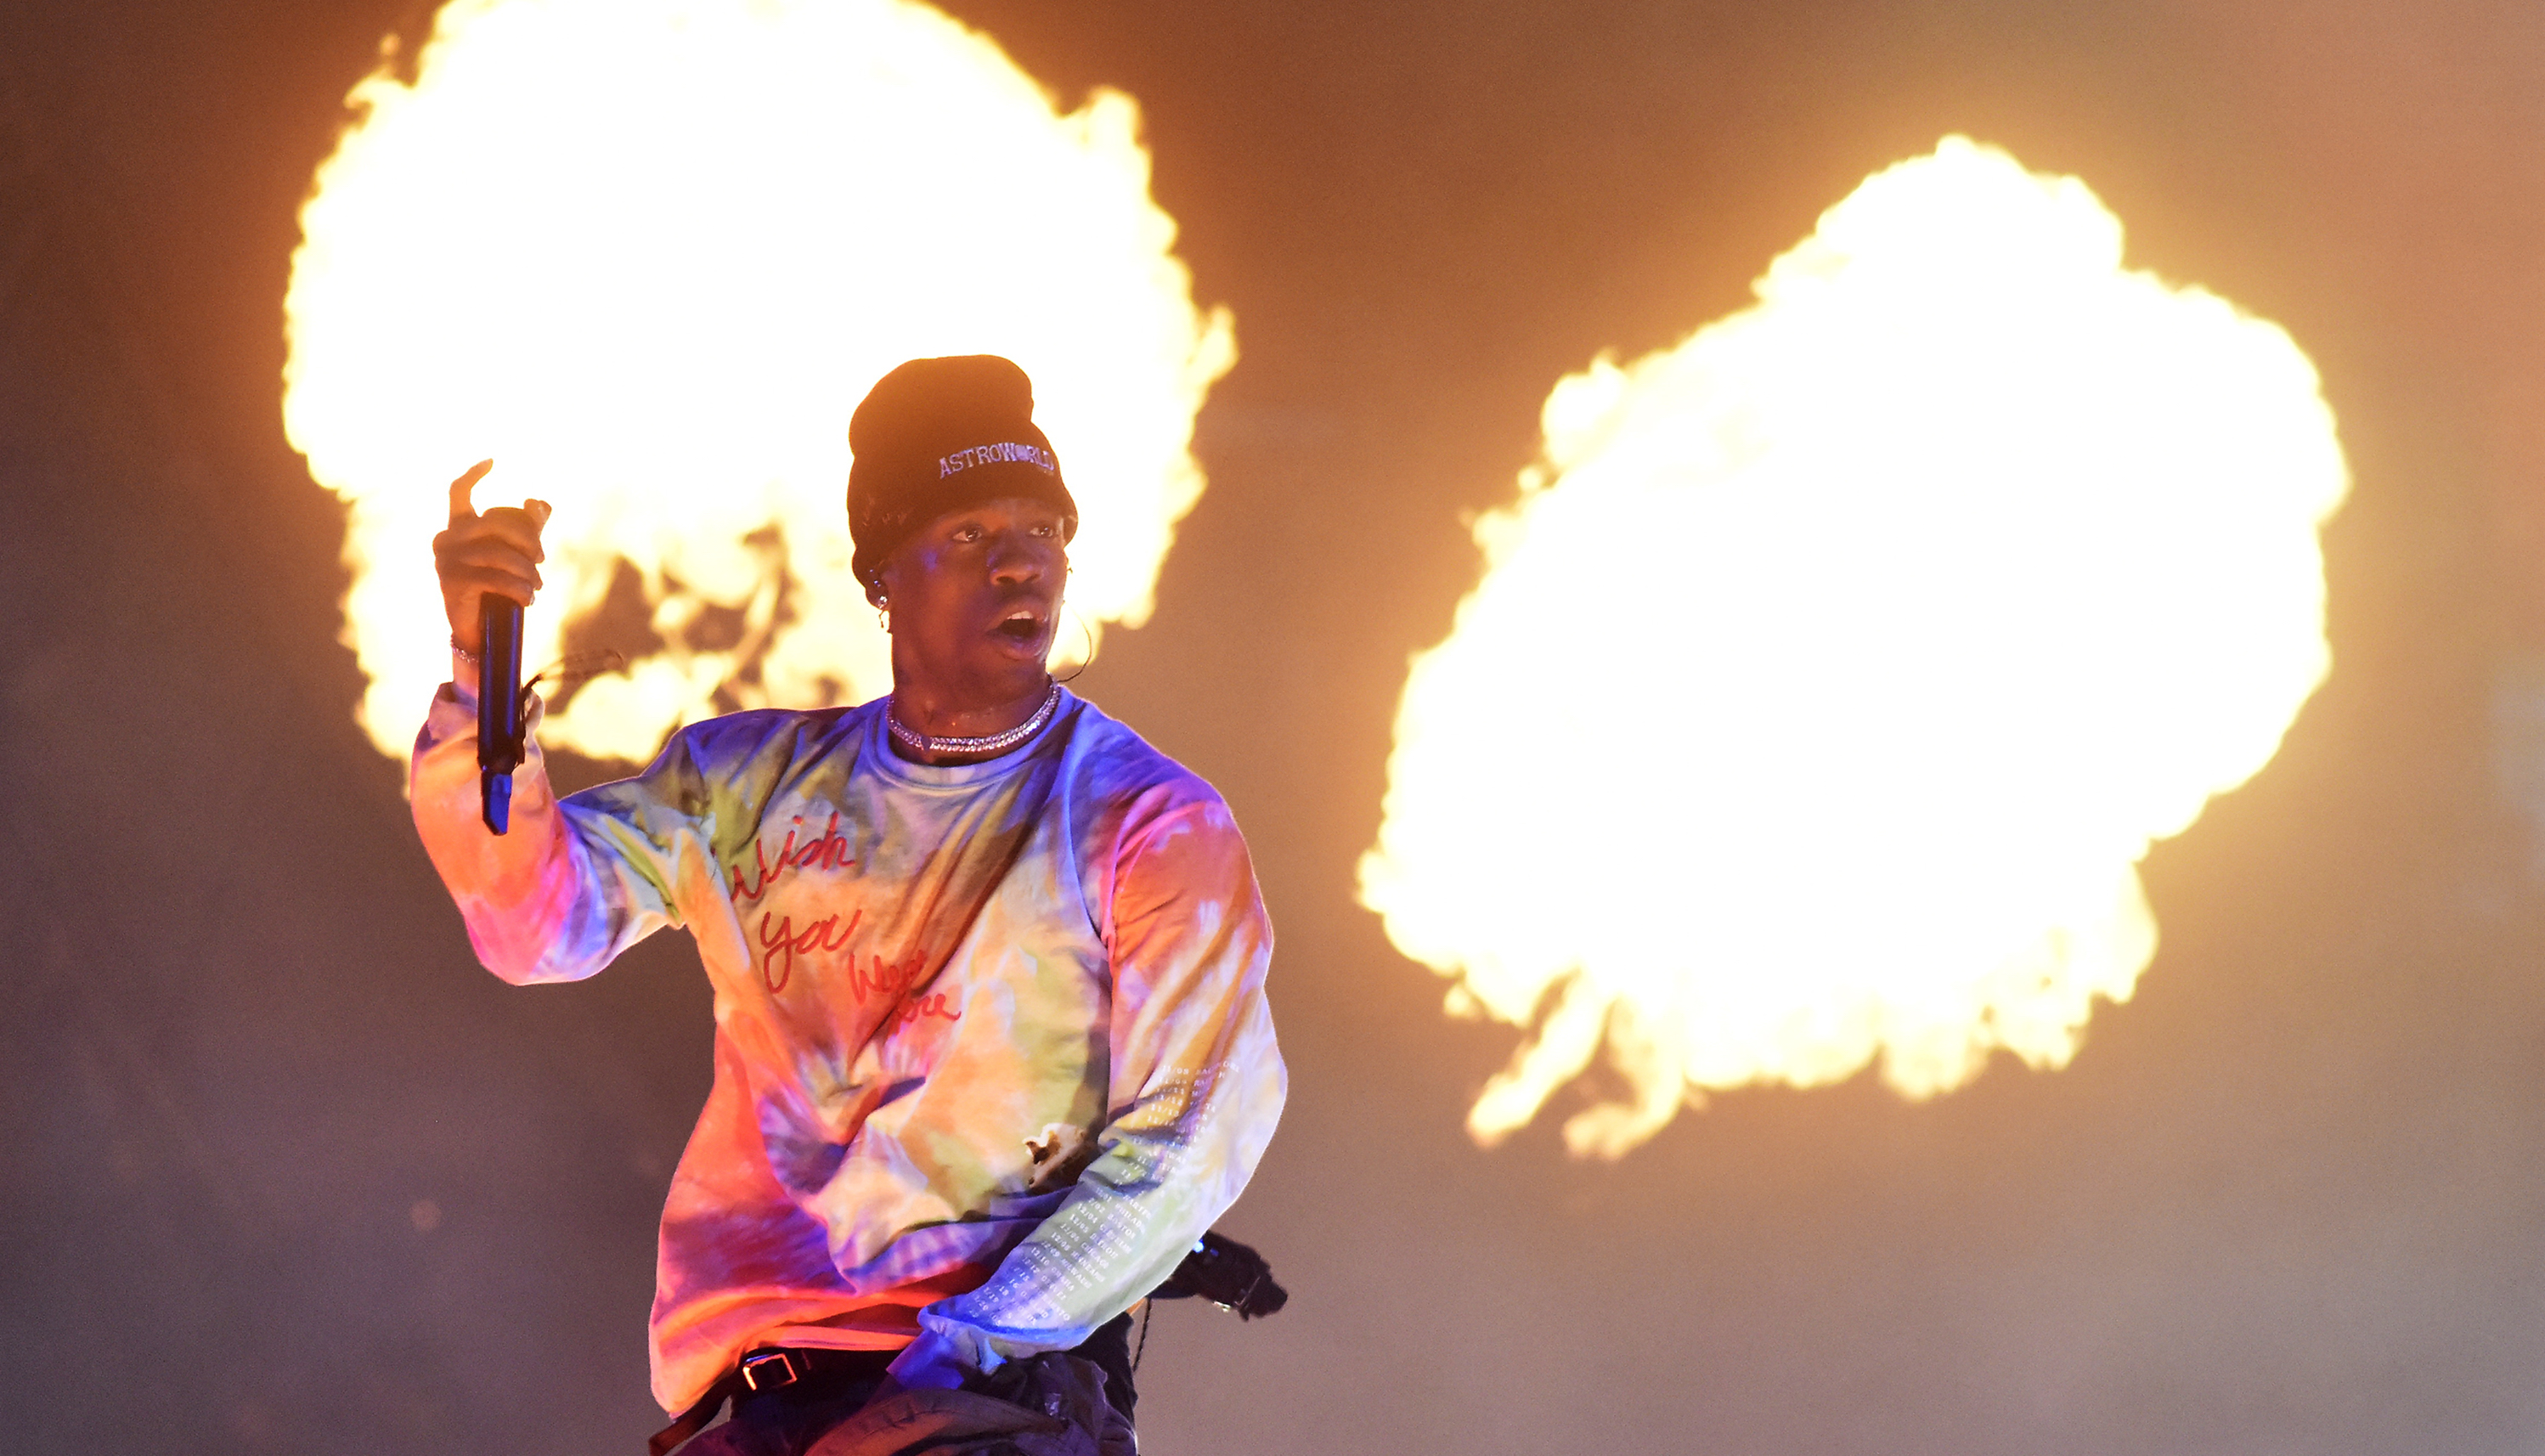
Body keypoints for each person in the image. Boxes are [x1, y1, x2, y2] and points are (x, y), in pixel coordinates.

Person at [413, 354, 1286, 1455]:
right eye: (970, 533)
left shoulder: (1152, 821)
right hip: (750, 1403)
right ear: (881, 572)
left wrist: (966, 1349)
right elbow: (535, 923)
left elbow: (1193, 1133)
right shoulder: (744, 784)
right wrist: (480, 665)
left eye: (1044, 528)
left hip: (990, 1400)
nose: (1021, 564)